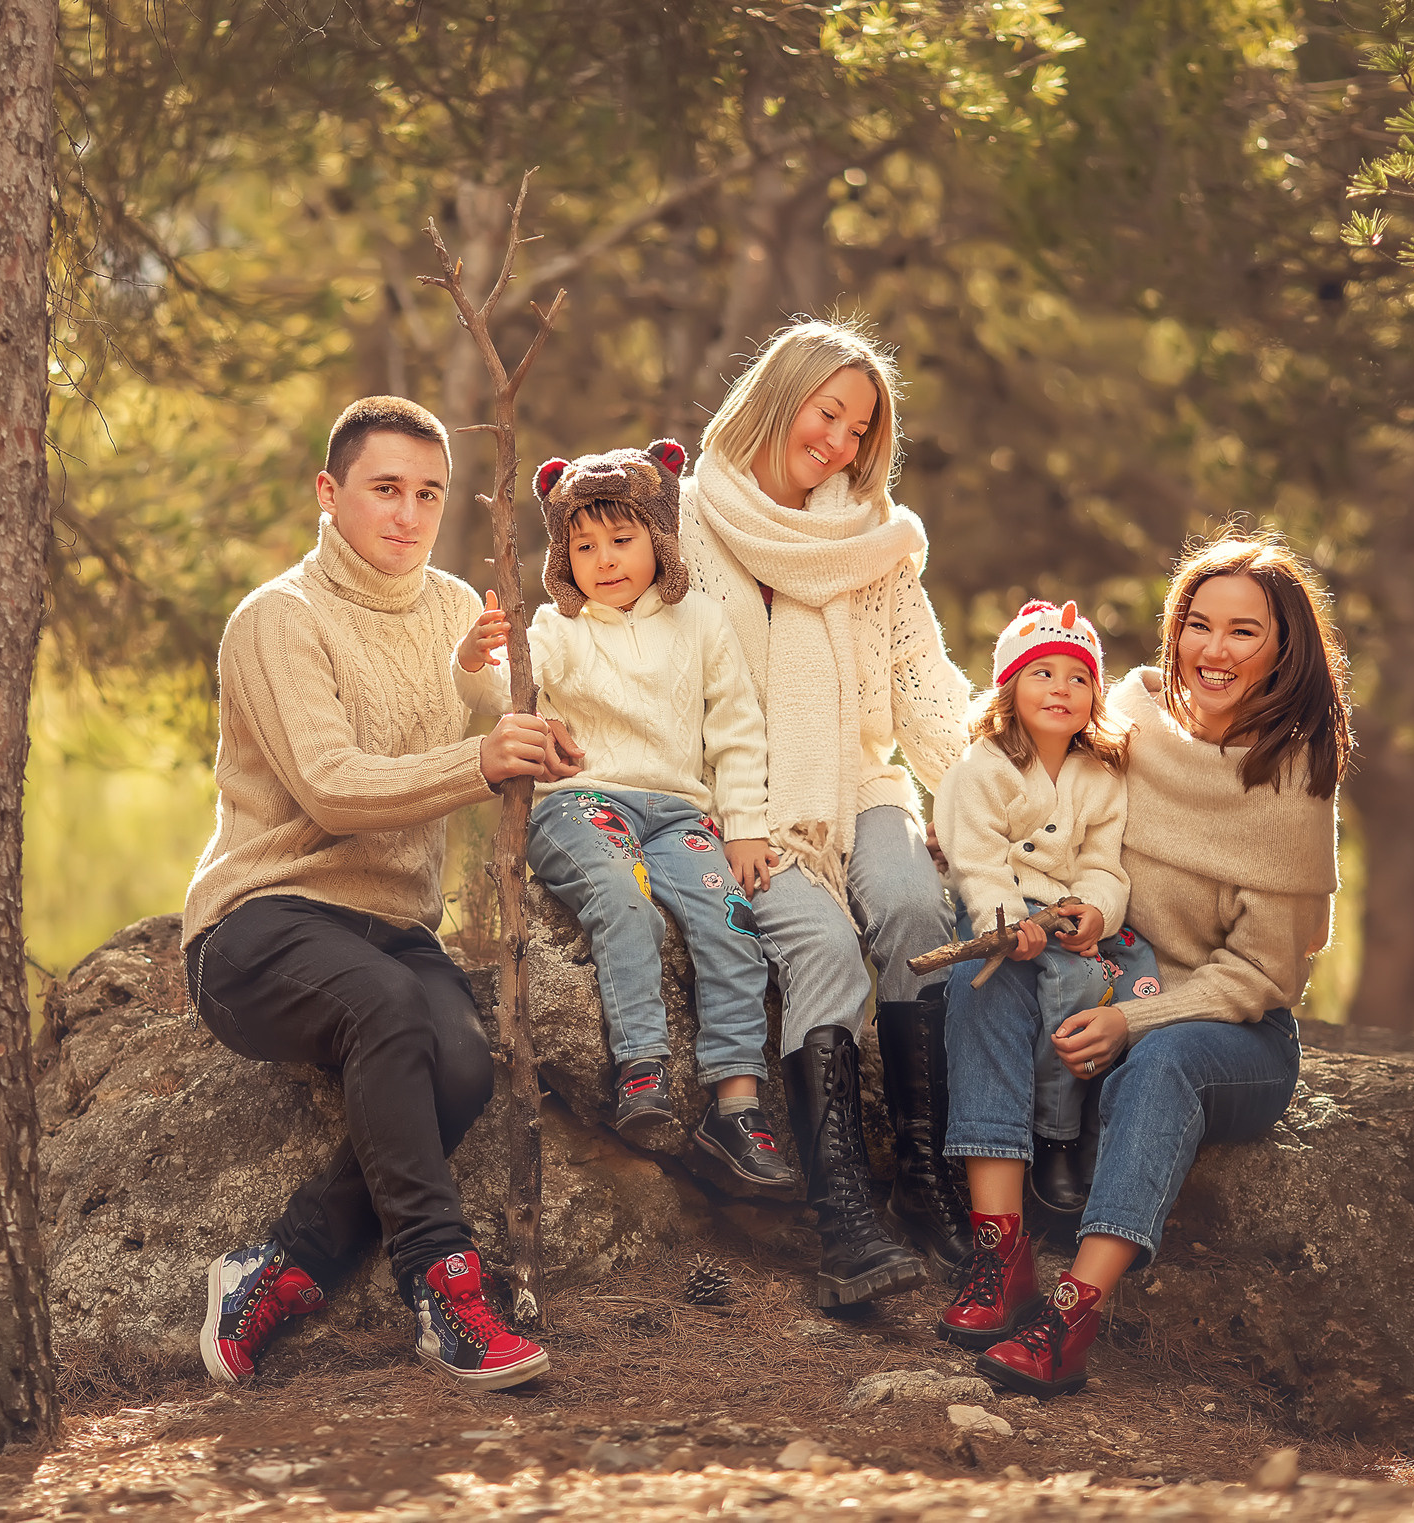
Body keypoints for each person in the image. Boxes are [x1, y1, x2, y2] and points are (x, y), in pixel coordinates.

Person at [183, 396, 583, 1393]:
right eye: (384, 490)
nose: (407, 514)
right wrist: (479, 756)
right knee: (391, 1007)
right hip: (260, 924)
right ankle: (444, 1293)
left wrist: (527, 724)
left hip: (390, 927)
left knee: (460, 1065)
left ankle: (278, 1268)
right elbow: (330, 782)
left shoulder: (455, 608)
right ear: (330, 494)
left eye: (427, 495)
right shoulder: (278, 618)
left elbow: (489, 724)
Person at [947, 530, 1352, 1399]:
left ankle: (1071, 1307)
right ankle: (999, 1250)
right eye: (1197, 624)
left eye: (1242, 631)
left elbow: (1258, 978)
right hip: (1101, 977)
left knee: (1163, 1062)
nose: (1212, 650)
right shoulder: (1124, 717)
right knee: (977, 973)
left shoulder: (1294, 783)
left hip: (1225, 1033)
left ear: (1284, 649)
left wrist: (1132, 1021)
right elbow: (1032, 806)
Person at [680, 319, 974, 1305]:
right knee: (825, 949)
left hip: (861, 784)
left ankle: (929, 1181)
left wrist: (991, 792)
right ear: (779, 399)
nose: (841, 444)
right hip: (747, 804)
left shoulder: (875, 543)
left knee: (910, 908)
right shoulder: (685, 521)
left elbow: (922, 684)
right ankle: (844, 1218)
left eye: (861, 428)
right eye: (828, 413)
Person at [455, 439, 793, 1192]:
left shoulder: (699, 622)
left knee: (728, 919)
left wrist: (743, 826)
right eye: (583, 545)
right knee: (622, 899)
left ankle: (736, 1105)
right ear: (561, 558)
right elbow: (507, 695)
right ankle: (642, 1067)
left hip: (677, 814)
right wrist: (478, 660)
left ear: (659, 539)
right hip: (584, 802)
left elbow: (735, 729)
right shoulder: (560, 629)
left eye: (622, 538)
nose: (604, 559)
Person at [930, 599, 1167, 1349]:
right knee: (990, 993)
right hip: (1004, 919)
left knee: (1121, 986)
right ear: (1008, 688)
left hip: (1071, 923)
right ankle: (1000, 1249)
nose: (1060, 687)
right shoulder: (984, 767)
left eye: (1076, 676)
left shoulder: (1101, 773)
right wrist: (1006, 925)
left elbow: (1103, 860)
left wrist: (1094, 910)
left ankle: (1062, 1134)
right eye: (1041, 673)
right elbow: (976, 857)